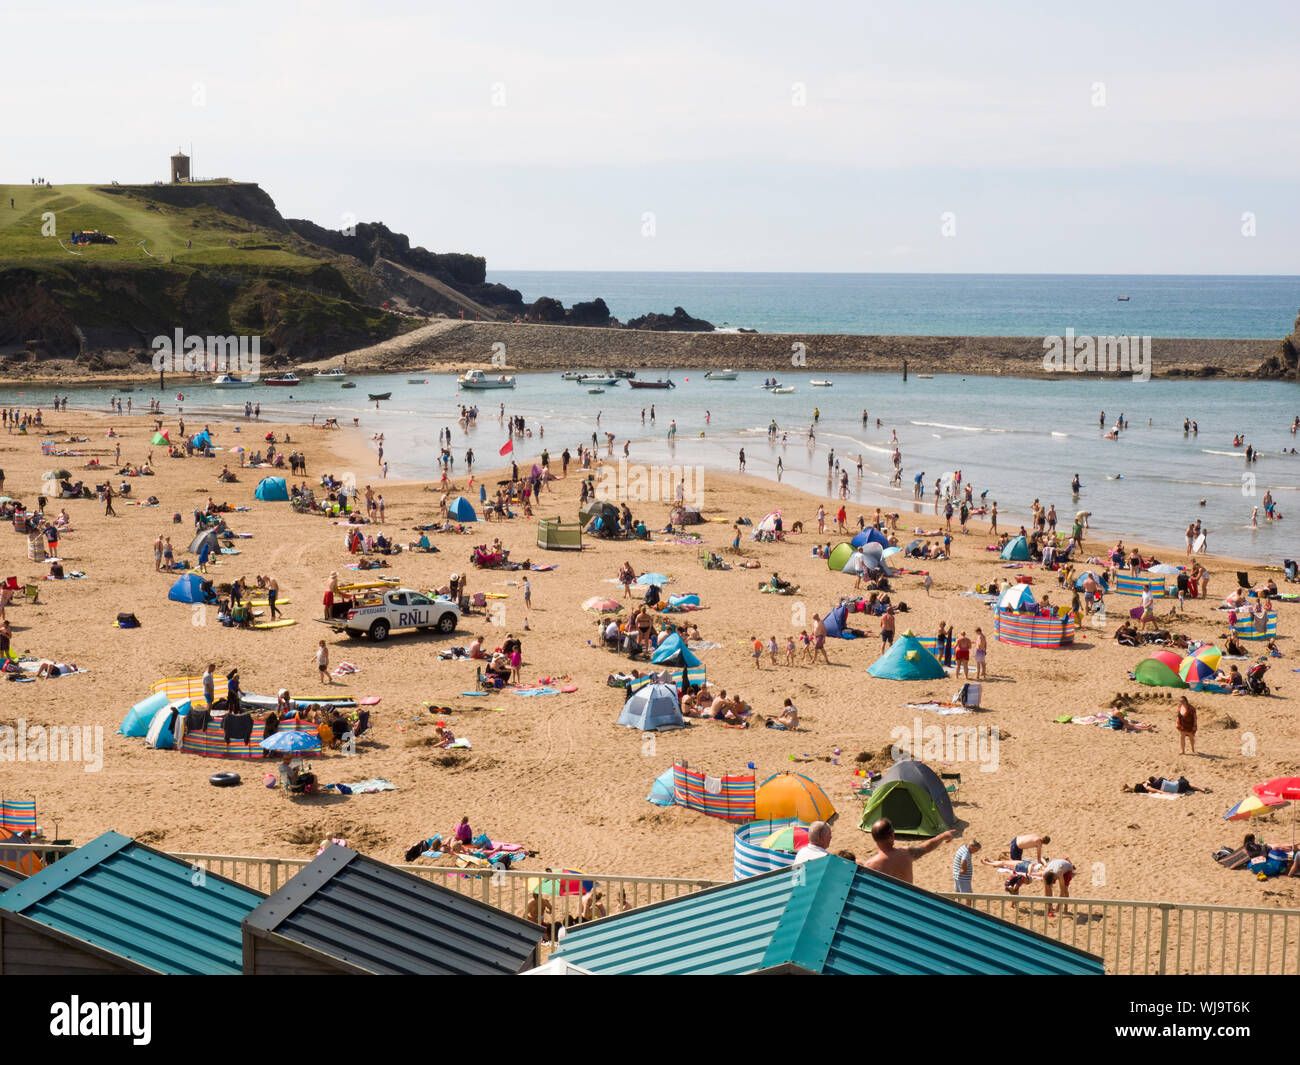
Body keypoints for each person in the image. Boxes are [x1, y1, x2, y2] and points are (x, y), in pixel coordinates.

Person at [865, 818, 955, 883]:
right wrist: (943, 836)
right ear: (892, 836)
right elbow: (926, 847)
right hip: (908, 904)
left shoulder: (870, 866)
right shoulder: (906, 854)